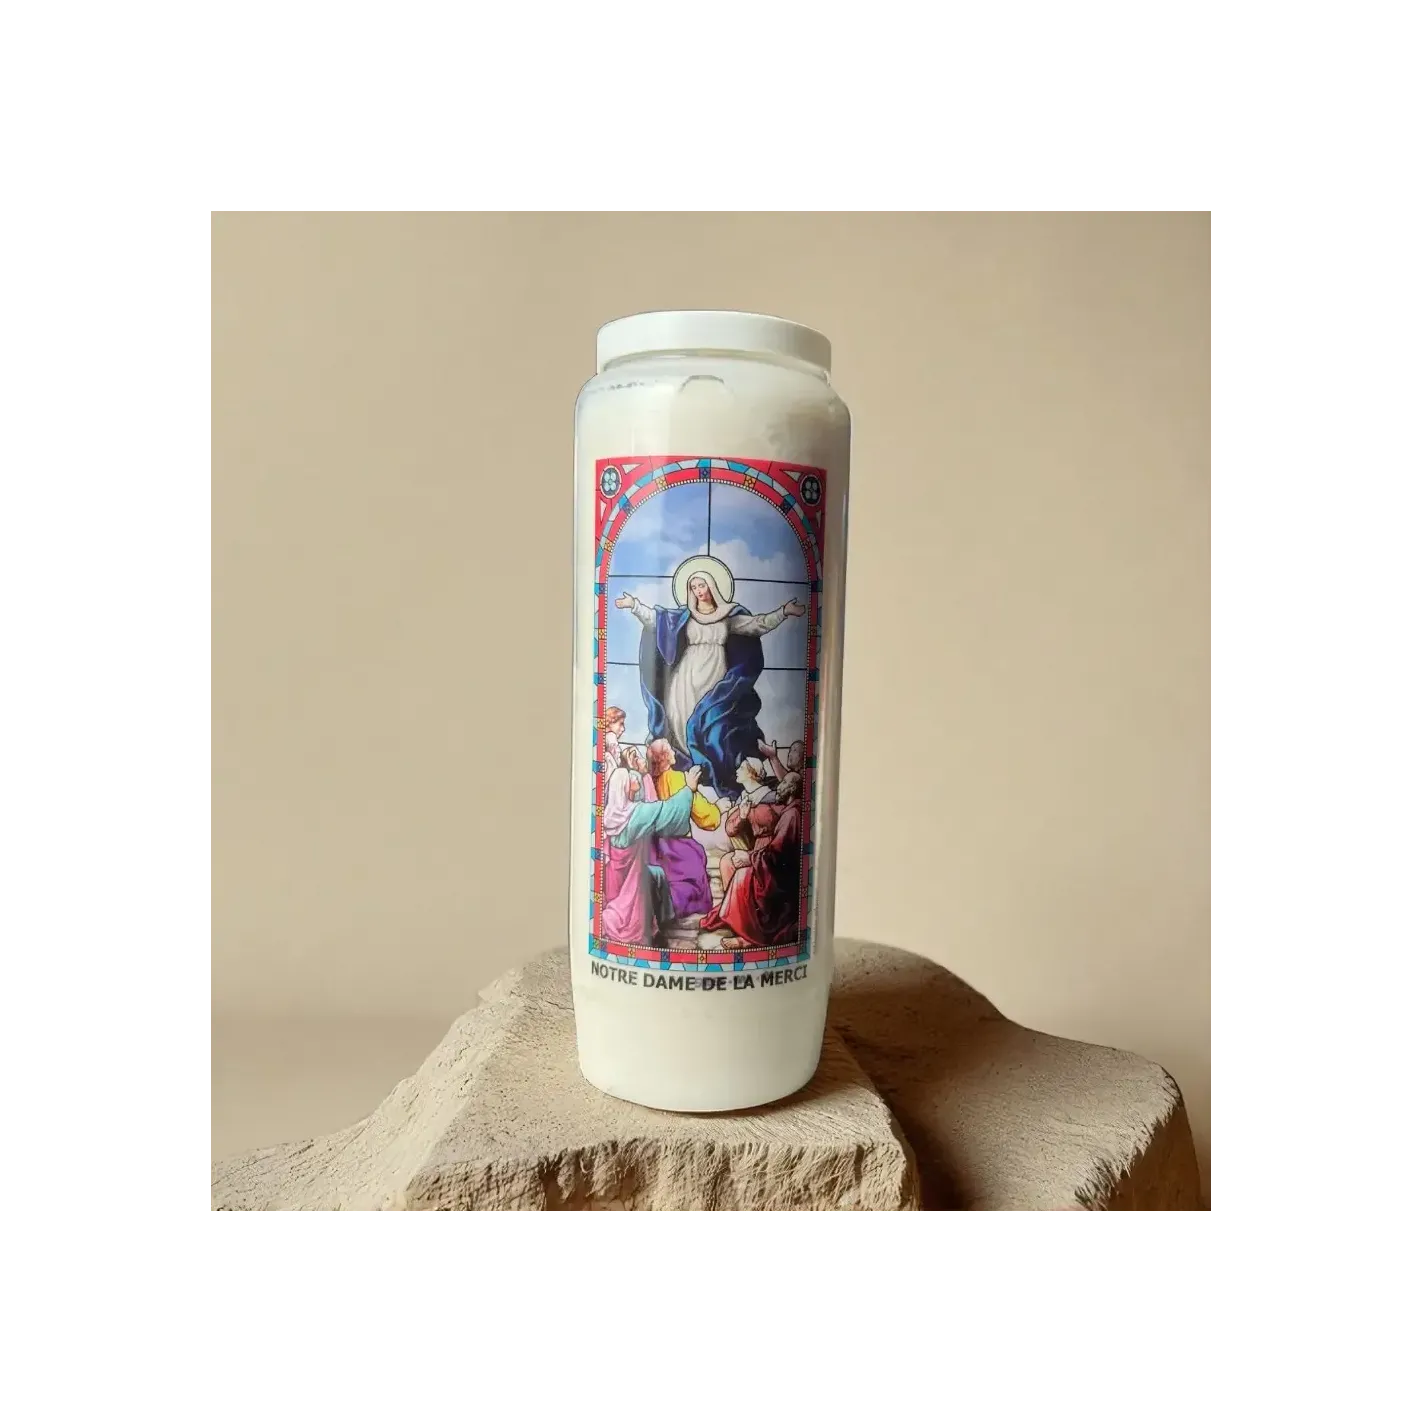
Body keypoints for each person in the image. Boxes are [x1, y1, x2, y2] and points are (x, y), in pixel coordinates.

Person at [613, 554, 804, 793]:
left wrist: (784, 611)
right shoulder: (685, 617)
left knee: (712, 722)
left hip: (715, 674)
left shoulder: (728, 616)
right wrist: (634, 606)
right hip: (686, 676)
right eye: (693, 587)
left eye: (701, 585)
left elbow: (758, 624)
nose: (698, 591)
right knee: (681, 719)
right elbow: (655, 619)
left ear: (711, 585)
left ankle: (713, 775)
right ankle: (691, 778)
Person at [601, 763, 703, 946]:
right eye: (629, 776)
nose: (634, 776)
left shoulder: (614, 816)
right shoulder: (635, 816)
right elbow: (666, 811)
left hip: (617, 877)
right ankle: (654, 928)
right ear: (623, 787)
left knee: (658, 873)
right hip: (629, 881)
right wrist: (688, 789)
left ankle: (665, 920)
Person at [700, 799, 801, 949]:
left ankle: (749, 933)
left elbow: (778, 853)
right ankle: (737, 920)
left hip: (770, 864)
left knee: (741, 875)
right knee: (727, 862)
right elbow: (730, 829)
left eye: (783, 786)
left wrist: (751, 858)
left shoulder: (787, 810)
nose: (779, 788)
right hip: (759, 853)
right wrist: (742, 816)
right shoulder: (751, 798)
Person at [642, 738, 715, 918]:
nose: (675, 752)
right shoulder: (679, 779)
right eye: (670, 750)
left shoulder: (648, 781)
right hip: (679, 848)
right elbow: (708, 819)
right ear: (665, 757)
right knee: (693, 883)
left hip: (655, 848)